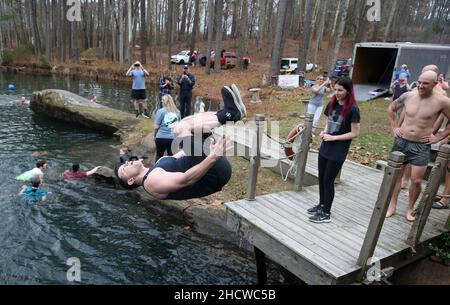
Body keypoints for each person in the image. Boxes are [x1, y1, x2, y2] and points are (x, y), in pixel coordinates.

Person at [114, 84, 247, 200]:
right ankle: (229, 114)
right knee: (179, 129)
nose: (126, 162)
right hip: (212, 174)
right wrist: (212, 157)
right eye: (124, 168)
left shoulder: (157, 165)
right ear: (131, 180)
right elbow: (186, 179)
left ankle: (230, 114)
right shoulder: (151, 182)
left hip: (206, 164)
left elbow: (183, 154)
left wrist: (205, 147)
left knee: (187, 124)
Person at [387, 71, 450, 222]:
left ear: (434, 84)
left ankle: (410, 208)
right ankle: (392, 205)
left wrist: (439, 136)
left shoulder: (442, 101)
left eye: (425, 83)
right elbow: (391, 108)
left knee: (416, 181)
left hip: (421, 146)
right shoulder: (409, 96)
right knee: (396, 176)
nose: (421, 86)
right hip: (401, 142)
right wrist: (395, 126)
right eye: (419, 82)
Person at [307, 79, 361, 223]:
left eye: (340, 90)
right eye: (335, 89)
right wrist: (324, 132)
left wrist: (334, 138)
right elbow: (329, 121)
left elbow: (355, 133)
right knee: (321, 177)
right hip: (326, 146)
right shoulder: (332, 103)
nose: (336, 93)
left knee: (328, 180)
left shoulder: (353, 109)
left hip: (338, 150)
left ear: (348, 91)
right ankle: (321, 204)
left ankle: (326, 213)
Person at [154, 95, 181, 162]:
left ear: (165, 102)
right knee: (171, 157)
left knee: (159, 155)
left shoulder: (161, 111)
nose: (161, 101)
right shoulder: (177, 112)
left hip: (161, 137)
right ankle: (170, 170)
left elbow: (156, 126)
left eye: (162, 100)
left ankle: (155, 170)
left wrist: (154, 136)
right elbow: (179, 127)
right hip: (173, 138)